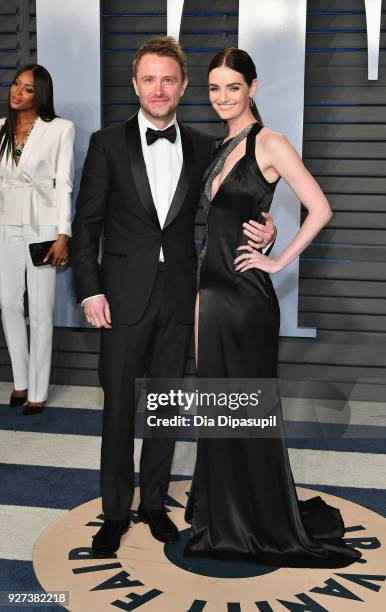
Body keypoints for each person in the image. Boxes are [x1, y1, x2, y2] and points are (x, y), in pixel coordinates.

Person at [71, 36, 276, 557]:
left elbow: (237, 203)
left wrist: (266, 228)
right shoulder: (105, 144)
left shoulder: (208, 146)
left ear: (183, 86)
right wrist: (90, 290)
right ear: (135, 85)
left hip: (184, 296)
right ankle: (115, 511)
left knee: (164, 406)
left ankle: (154, 503)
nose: (158, 88)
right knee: (118, 406)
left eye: (168, 79)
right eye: (149, 79)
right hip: (119, 296)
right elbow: (86, 223)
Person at [185, 48, 361, 568]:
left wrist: (278, 257)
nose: (222, 98)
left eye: (232, 88)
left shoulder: (271, 143)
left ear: (253, 88)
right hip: (211, 294)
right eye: (214, 89)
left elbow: (321, 207)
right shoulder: (222, 146)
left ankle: (256, 519)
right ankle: (223, 510)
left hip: (244, 300)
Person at [0, 64, 74, 415]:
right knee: (9, 304)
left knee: (40, 311)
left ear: (40, 94)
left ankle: (38, 390)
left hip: (43, 226)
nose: (18, 92)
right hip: (6, 226)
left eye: (27, 88)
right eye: (16, 85)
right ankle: (20, 380)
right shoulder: (0, 128)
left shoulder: (60, 129)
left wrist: (64, 233)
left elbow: (65, 184)